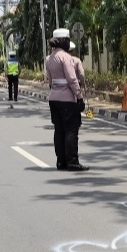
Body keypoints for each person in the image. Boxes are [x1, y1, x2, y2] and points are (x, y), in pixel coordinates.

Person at [45, 28, 89, 171]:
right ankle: (72, 162)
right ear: (64, 41)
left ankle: (61, 161)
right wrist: (79, 96)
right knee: (71, 130)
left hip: (54, 99)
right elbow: (72, 79)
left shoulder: (49, 58)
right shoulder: (66, 57)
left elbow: (50, 81)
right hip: (67, 100)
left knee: (59, 131)